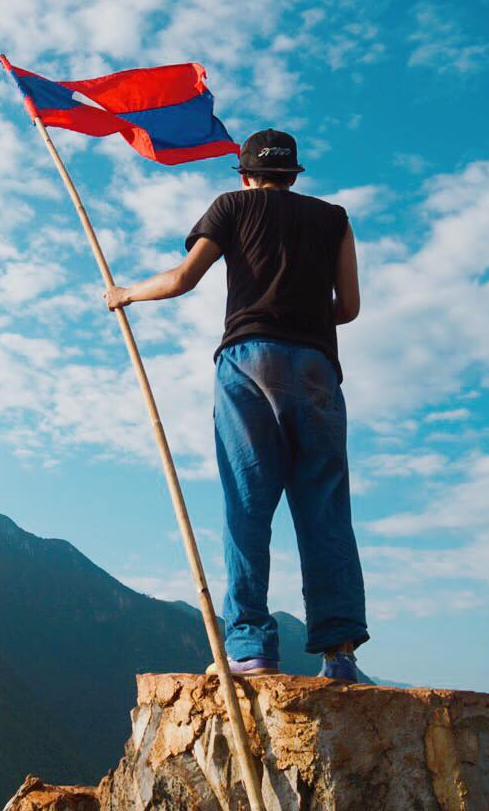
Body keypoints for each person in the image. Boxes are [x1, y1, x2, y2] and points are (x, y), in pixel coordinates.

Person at [103, 129, 368, 681]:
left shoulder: (232, 206)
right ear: (294, 176)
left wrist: (124, 293)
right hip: (318, 366)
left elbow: (182, 280)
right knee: (324, 506)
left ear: (246, 175)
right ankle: (339, 650)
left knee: (247, 503)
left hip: (248, 360)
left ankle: (251, 648)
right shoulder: (335, 219)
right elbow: (349, 309)